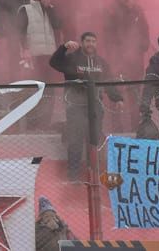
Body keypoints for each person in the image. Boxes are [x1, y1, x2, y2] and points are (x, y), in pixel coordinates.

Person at [49, 33, 124, 182]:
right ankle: (73, 176)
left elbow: (108, 82)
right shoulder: (71, 59)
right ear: (82, 43)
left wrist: (117, 98)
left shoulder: (101, 62)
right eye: (88, 41)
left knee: (93, 140)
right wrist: (63, 47)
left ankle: (93, 175)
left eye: (94, 41)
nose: (91, 44)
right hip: (75, 106)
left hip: (95, 106)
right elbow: (53, 62)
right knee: (75, 140)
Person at [15, 0, 63, 130]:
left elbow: (57, 25)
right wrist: (25, 49)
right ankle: (32, 123)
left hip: (49, 56)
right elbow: (20, 31)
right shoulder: (25, 9)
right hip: (34, 55)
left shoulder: (49, 9)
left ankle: (45, 123)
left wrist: (50, 9)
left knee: (50, 90)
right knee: (34, 89)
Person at [104, 0, 151, 80]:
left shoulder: (137, 9)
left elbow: (144, 28)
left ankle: (136, 93)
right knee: (120, 76)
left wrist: (145, 43)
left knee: (137, 76)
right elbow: (108, 31)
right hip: (119, 51)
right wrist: (115, 48)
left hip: (137, 50)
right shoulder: (111, 11)